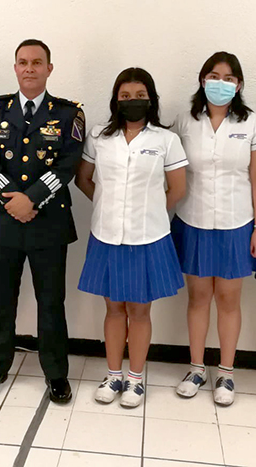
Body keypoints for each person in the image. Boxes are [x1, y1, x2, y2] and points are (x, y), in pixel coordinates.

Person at [0, 39, 85, 403]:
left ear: (49, 68)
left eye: (37, 62)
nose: (29, 68)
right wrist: (14, 202)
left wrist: (32, 199)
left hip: (47, 222)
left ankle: (56, 372)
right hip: (2, 220)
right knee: (1, 301)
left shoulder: (68, 114)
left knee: (51, 302)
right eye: (23, 62)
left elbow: (67, 165)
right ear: (15, 68)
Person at [76, 67, 187, 408]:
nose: (132, 101)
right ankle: (113, 375)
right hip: (106, 234)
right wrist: (108, 205)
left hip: (147, 237)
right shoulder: (99, 136)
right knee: (113, 308)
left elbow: (178, 188)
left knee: (139, 310)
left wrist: (148, 211)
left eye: (140, 96)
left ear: (151, 100)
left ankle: (135, 379)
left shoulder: (166, 140)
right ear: (116, 100)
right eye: (125, 96)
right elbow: (84, 179)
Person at [171, 52, 256, 406]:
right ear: (203, 80)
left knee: (229, 300)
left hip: (236, 223)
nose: (221, 83)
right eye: (214, 76)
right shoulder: (185, 121)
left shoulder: (252, 123)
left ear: (239, 85)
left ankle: (226, 372)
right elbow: (171, 168)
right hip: (193, 220)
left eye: (229, 78)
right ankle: (196, 368)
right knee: (198, 298)